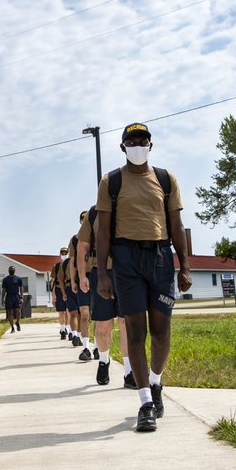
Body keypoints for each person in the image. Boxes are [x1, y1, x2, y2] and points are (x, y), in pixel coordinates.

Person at [95, 123, 191, 433]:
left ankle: (156, 381)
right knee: (136, 332)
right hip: (126, 262)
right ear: (123, 147)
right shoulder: (111, 182)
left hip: (160, 259)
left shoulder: (165, 179)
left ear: (151, 145)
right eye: (131, 141)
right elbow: (103, 231)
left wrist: (185, 266)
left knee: (161, 331)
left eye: (143, 140)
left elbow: (176, 225)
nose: (138, 144)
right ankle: (145, 402)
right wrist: (102, 275)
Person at [77, 205, 133, 387]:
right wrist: (82, 276)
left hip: (126, 273)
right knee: (103, 326)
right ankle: (103, 361)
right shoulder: (93, 214)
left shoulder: (128, 208)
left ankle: (129, 371)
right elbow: (83, 246)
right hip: (101, 274)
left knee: (126, 322)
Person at [68, 213, 95, 361]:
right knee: (84, 314)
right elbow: (72, 263)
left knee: (99, 314)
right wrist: (73, 281)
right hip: (82, 277)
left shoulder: (99, 233)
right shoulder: (74, 240)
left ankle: (98, 346)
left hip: (98, 275)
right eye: (82, 220)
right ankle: (86, 348)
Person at [50, 247, 71, 340]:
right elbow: (53, 281)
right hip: (58, 289)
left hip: (68, 288)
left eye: (65, 253)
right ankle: (63, 330)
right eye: (62, 253)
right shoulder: (56, 266)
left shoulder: (71, 264)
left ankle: (71, 330)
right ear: (60, 255)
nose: (64, 255)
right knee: (61, 312)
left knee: (70, 311)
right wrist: (53, 294)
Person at [1, 265, 24, 331]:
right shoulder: (5, 280)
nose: (12, 271)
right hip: (9, 296)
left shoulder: (18, 279)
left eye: (13, 270)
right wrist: (2, 299)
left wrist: (22, 297)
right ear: (8, 271)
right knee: (10, 313)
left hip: (16, 296)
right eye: (10, 270)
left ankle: (17, 322)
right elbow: (4, 290)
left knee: (18, 311)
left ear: (14, 271)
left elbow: (21, 288)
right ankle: (12, 327)